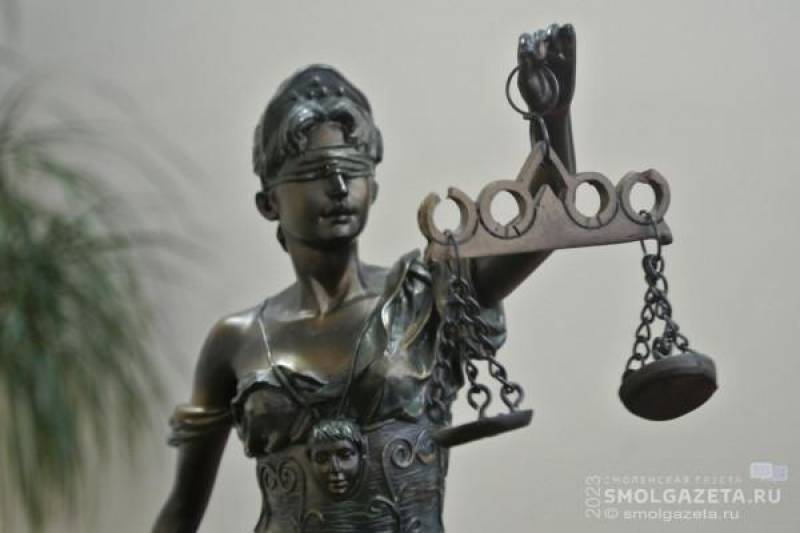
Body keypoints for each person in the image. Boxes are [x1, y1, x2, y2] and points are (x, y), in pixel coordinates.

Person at [154, 24, 576, 533]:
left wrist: (552, 117)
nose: (338, 186)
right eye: (314, 172)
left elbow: (549, 222)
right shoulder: (234, 341)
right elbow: (181, 512)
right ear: (268, 202)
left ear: (372, 188)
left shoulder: (425, 295)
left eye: (353, 169)